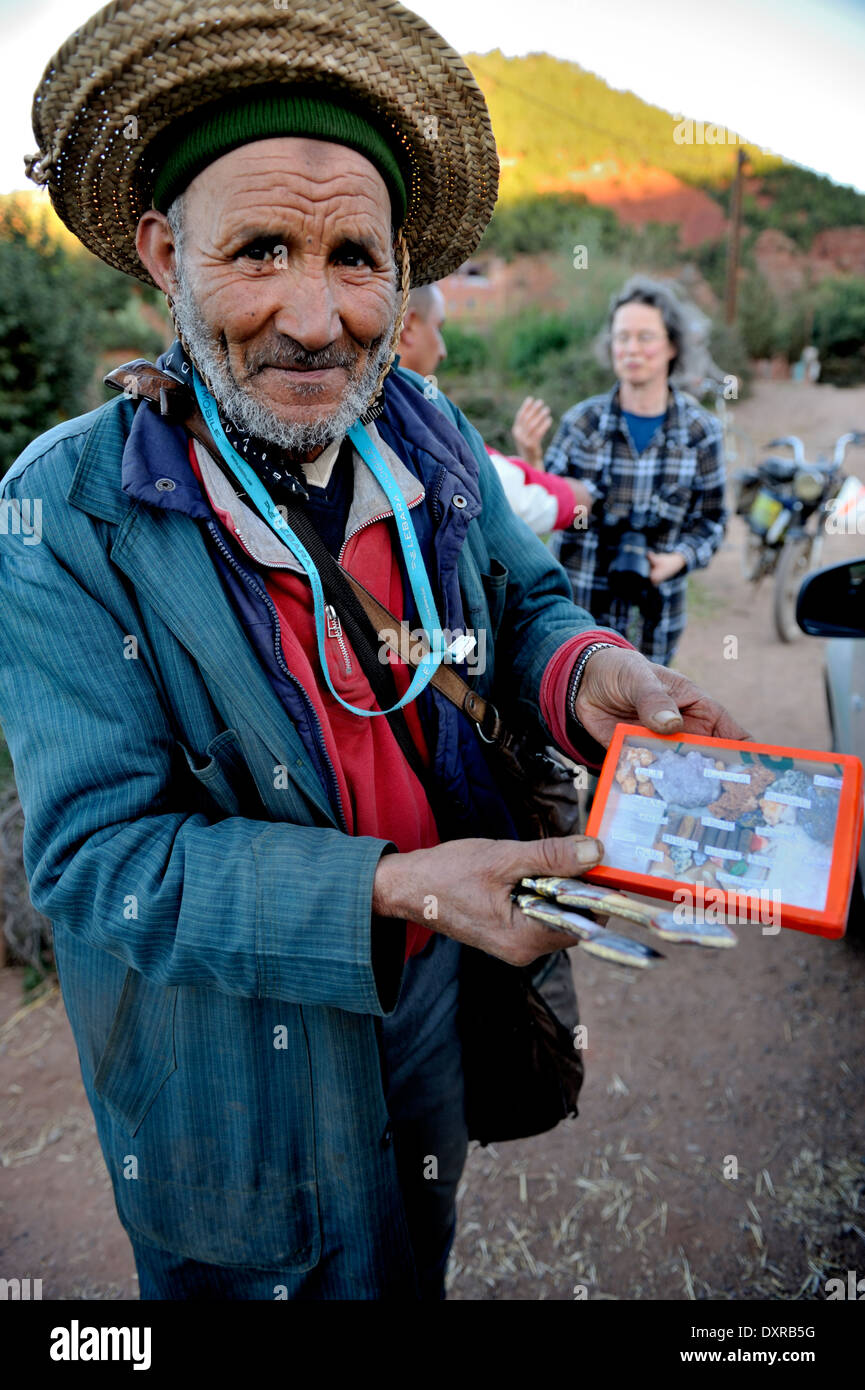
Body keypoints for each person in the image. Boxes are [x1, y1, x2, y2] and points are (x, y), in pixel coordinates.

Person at [1, 0, 749, 1302]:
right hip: (228, 1046)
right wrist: (393, 889)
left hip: (429, 997)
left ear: (401, 276)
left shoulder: (424, 429)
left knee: (410, 1250)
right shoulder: (64, 510)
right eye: (260, 250)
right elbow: (97, 857)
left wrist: (592, 676)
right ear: (163, 249)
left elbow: (523, 608)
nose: (314, 315)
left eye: (354, 256)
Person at [545, 276, 728, 666]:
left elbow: (712, 520)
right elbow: (545, 509)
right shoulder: (581, 423)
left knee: (646, 720)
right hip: (578, 619)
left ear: (672, 345)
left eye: (646, 337)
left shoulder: (701, 432)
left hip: (655, 622)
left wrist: (676, 560)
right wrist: (529, 460)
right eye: (622, 337)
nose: (631, 349)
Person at [397, 285, 576, 535]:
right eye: (438, 328)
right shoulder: (417, 422)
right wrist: (579, 495)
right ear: (411, 325)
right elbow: (502, 493)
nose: (443, 351)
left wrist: (531, 462)